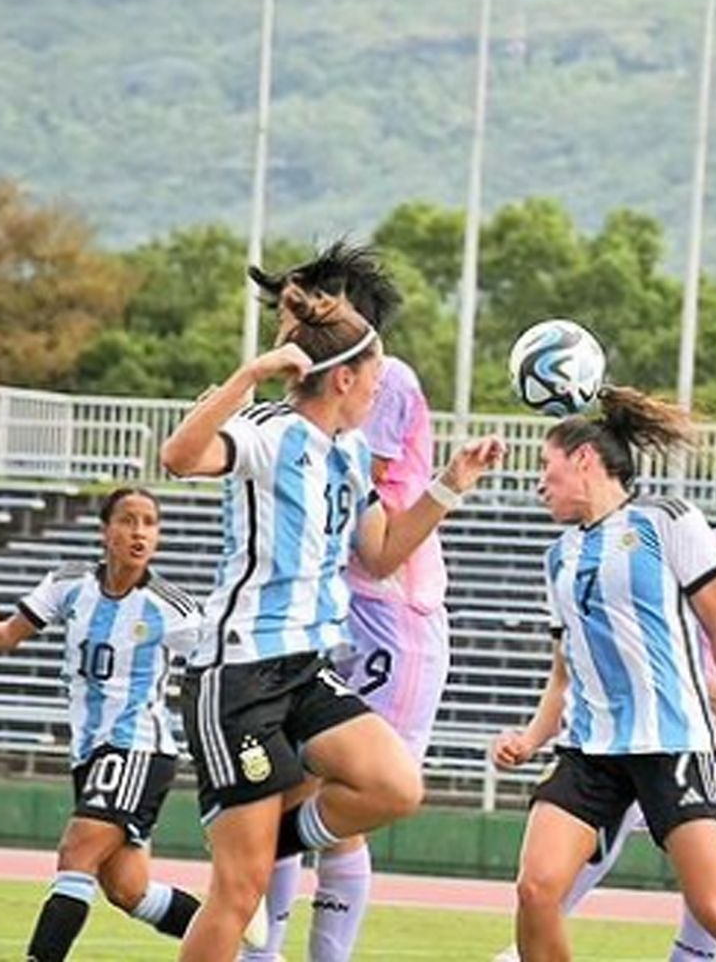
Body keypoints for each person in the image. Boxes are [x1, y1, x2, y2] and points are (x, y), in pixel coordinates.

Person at [159, 279, 502, 962]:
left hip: (307, 672)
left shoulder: (347, 454)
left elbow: (380, 556)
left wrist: (449, 488)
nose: (384, 384)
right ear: (344, 377)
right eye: (376, 371)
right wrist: (252, 374)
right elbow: (178, 458)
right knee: (238, 894)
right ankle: (246, 848)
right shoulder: (266, 432)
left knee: (395, 785)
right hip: (239, 679)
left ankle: (257, 839)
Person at [500, 390, 716, 962]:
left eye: (545, 466)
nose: (538, 483)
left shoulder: (667, 520)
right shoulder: (558, 556)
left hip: (672, 740)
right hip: (590, 748)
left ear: (583, 459)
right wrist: (530, 738)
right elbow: (565, 672)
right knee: (535, 890)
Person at [242, 243, 451, 961]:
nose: (286, 324)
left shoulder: (382, 381)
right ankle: (260, 949)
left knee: (338, 799)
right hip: (329, 613)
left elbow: (373, 538)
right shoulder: (300, 400)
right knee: (284, 788)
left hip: (387, 611)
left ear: (341, 314)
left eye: (297, 310)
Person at [0, 487, 209, 962]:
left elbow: (221, 663)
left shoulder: (171, 607)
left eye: (150, 523)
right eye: (128, 520)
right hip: (90, 752)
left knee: (76, 854)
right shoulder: (68, 584)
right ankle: (233, 944)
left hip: (137, 746)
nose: (139, 532)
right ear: (105, 531)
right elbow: (6, 638)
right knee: (128, 890)